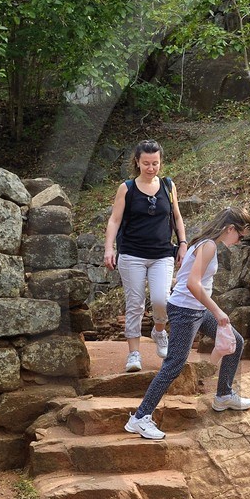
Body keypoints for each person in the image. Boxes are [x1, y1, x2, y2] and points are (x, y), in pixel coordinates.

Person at [124, 208, 250, 439]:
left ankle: (223, 394)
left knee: (237, 341)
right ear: (230, 228)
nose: (239, 240)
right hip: (186, 311)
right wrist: (218, 311)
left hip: (197, 310)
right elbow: (194, 284)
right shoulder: (209, 246)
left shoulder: (204, 243)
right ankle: (140, 418)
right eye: (241, 235)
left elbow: (186, 279)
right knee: (174, 364)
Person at [103, 140, 187, 373]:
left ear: (161, 162)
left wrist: (182, 243)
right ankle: (133, 354)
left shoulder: (169, 187)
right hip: (132, 254)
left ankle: (159, 331)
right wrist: (109, 248)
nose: (151, 168)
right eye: (146, 163)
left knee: (162, 299)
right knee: (135, 304)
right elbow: (114, 220)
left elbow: (177, 218)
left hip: (162, 253)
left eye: (155, 163)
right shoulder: (127, 188)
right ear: (137, 163)